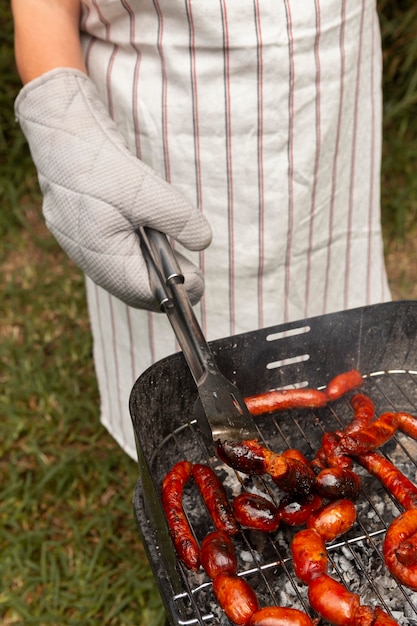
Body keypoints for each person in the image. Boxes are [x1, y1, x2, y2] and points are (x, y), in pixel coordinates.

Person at [12, 0, 391, 461]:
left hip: (328, 79)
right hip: (164, 104)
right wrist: (62, 124)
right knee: (176, 410)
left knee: (340, 325)